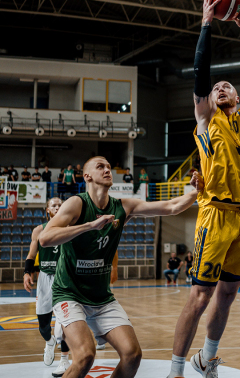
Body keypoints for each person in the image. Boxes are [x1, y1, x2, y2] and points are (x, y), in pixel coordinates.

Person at [168, 0, 240, 378]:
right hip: (216, 213)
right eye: (215, 88)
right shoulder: (206, 117)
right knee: (200, 295)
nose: (219, 87)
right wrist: (207, 24)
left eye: (227, 86)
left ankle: (206, 360)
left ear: (238, 95)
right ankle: (176, 370)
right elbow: (202, 72)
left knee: (227, 294)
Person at [39, 157, 201, 378]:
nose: (107, 169)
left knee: (132, 355)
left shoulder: (123, 206)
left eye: (108, 166)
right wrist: (89, 226)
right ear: (87, 176)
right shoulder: (77, 204)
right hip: (69, 293)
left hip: (101, 297)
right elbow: (45, 239)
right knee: (86, 355)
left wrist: (195, 192)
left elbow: (171, 207)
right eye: (100, 167)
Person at [23, 197, 71, 374]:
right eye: (54, 205)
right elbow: (31, 254)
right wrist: (27, 272)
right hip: (45, 278)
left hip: (64, 278)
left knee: (65, 322)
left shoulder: (71, 228)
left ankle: (64, 359)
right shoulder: (38, 230)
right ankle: (49, 342)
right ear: (47, 210)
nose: (58, 207)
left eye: (60, 205)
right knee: (43, 326)